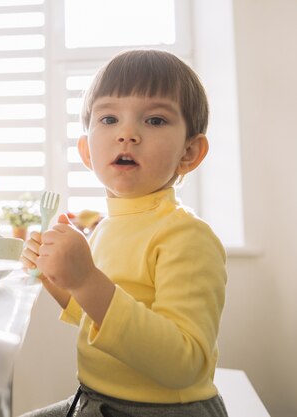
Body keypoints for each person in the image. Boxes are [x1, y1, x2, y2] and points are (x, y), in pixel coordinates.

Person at [20, 50, 228, 417]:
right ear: (85, 151)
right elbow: (104, 312)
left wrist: (85, 280)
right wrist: (59, 281)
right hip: (97, 400)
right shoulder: (107, 226)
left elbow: (184, 363)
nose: (127, 134)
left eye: (155, 120)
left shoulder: (187, 235)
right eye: (110, 118)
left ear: (190, 152)